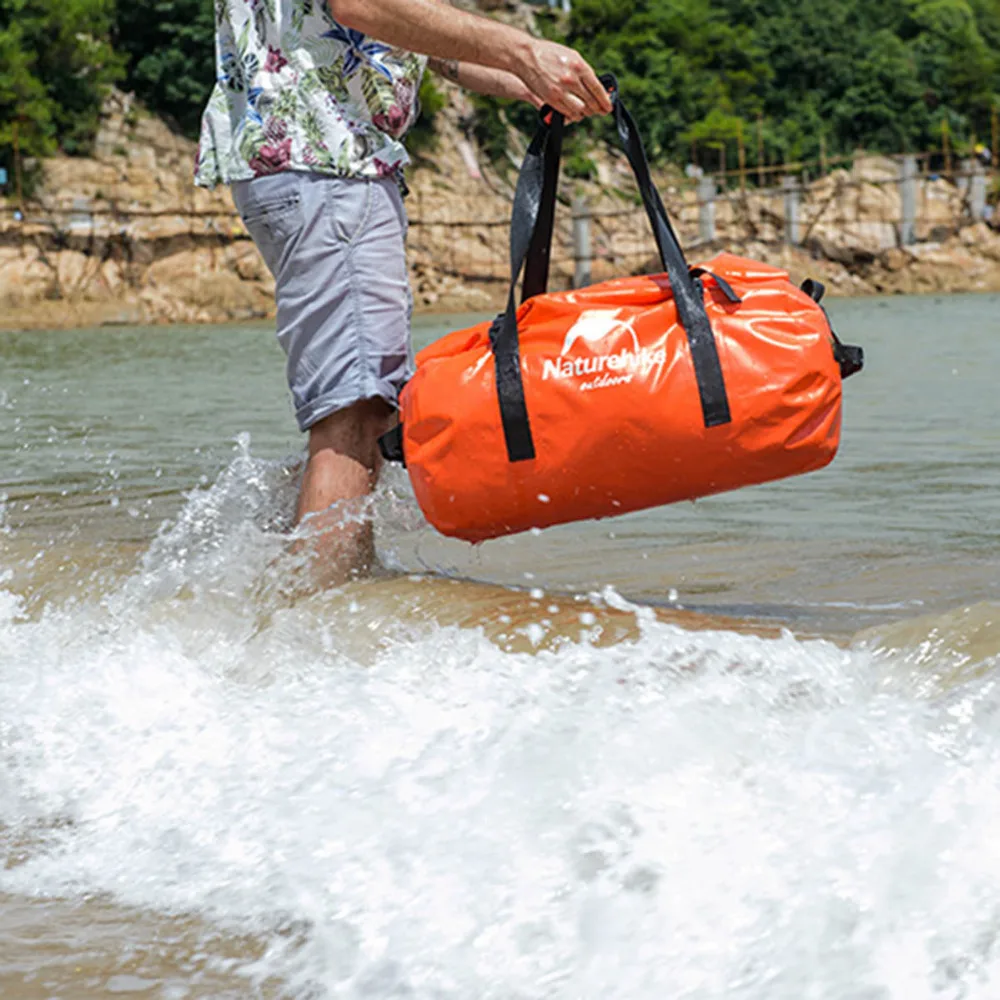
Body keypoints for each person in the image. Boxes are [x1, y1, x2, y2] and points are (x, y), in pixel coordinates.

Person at [195, 0, 611, 588]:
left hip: (299, 164)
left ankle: (271, 591)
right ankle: (310, 637)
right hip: (330, 165)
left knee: (363, 409)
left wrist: (526, 80)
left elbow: (410, 39)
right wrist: (525, 49)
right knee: (357, 413)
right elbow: (361, 5)